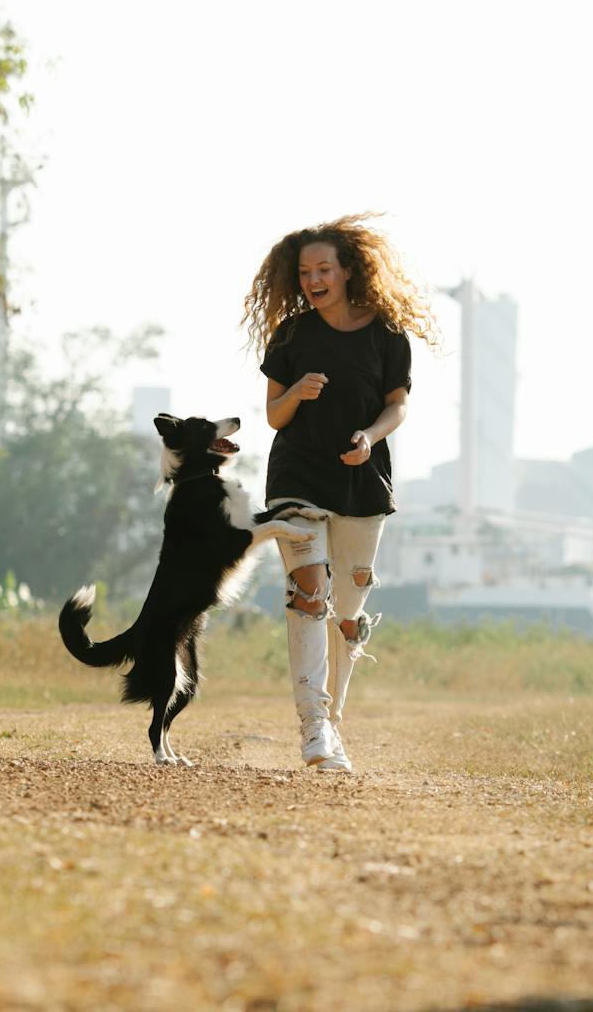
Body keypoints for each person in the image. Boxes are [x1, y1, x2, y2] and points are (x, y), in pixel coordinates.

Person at [242, 214, 437, 771]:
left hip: (361, 482)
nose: (312, 279)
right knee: (308, 594)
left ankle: (334, 723)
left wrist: (369, 438)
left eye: (323, 268)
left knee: (346, 613)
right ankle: (313, 728)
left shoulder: (387, 333)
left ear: (348, 271)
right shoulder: (292, 335)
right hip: (297, 481)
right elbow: (274, 417)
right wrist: (298, 392)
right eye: (305, 271)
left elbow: (397, 405)